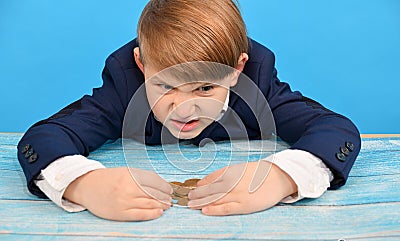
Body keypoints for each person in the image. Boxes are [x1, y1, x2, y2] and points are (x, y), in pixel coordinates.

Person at [17, 0, 360, 221]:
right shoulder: (124, 86)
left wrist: (280, 177)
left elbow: (337, 131)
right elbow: (43, 138)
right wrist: (84, 184)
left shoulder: (258, 83)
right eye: (165, 86)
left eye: (206, 88)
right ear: (141, 64)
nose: (185, 107)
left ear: (237, 70)